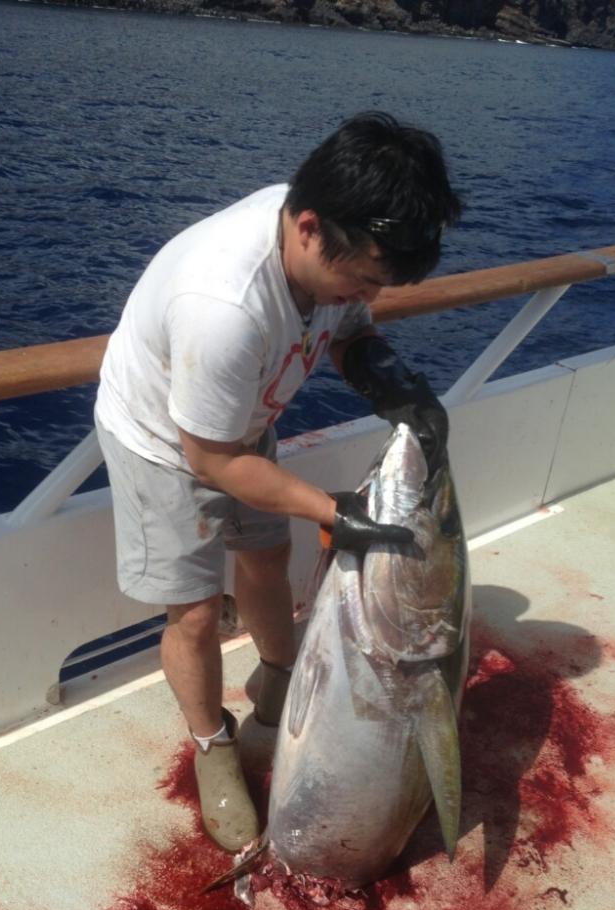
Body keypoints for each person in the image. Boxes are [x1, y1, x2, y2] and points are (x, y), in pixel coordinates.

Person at [94, 112, 461, 853]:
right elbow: (213, 463)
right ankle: (211, 746)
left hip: (240, 415)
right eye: (361, 277)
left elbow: (351, 328)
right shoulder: (224, 308)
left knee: (264, 557)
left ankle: (276, 674)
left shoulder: (330, 233)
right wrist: (331, 510)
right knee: (195, 612)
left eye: (380, 280)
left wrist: (386, 381)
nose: (366, 291)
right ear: (307, 227)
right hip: (168, 440)